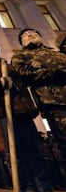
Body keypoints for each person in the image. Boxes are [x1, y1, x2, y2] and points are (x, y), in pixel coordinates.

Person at [0, 43, 66, 192]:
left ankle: (45, 190)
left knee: (34, 151)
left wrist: (11, 82)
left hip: (23, 111)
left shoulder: (8, 66)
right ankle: (27, 190)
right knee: (16, 152)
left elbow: (22, 82)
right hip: (3, 112)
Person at [11, 29, 66, 168]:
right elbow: (23, 74)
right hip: (53, 100)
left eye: (34, 32)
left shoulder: (58, 54)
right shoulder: (22, 55)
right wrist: (55, 72)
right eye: (25, 34)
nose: (30, 33)